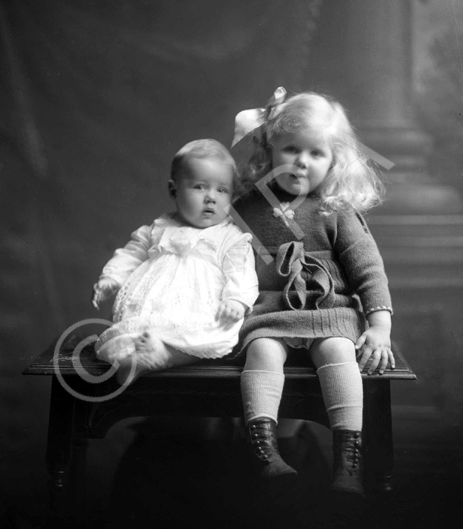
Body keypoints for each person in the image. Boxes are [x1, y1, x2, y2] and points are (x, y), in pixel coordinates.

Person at [231, 87, 394, 497]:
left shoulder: (335, 209)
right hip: (271, 310)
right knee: (262, 350)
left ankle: (347, 460)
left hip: (329, 310)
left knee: (339, 350)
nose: (301, 162)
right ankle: (266, 452)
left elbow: (368, 269)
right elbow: (222, 258)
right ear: (269, 151)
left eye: (316, 154)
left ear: (333, 161)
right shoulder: (249, 206)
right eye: (290, 149)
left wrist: (379, 326)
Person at [92, 139, 259, 384]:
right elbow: (132, 253)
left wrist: (236, 300)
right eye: (200, 187)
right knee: (134, 334)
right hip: (153, 308)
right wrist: (112, 277)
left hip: (200, 308)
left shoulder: (229, 235)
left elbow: (242, 269)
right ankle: (137, 359)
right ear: (174, 190)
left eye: (222, 190)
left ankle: (165, 355)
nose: (211, 197)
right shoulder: (159, 227)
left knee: (206, 339)